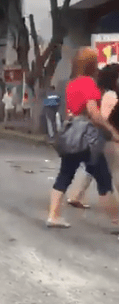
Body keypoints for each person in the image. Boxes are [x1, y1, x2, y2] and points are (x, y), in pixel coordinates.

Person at [46, 47, 119, 228]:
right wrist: (111, 130)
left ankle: (53, 216)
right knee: (104, 180)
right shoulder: (88, 83)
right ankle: (117, 220)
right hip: (87, 138)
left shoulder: (72, 83)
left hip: (72, 135)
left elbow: (70, 110)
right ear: (91, 64)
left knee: (65, 175)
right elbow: (94, 113)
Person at [66, 63, 119, 209]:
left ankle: (75, 196)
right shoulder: (110, 95)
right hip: (108, 138)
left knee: (92, 166)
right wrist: (112, 131)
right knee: (114, 171)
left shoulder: (105, 93)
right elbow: (105, 117)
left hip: (100, 137)